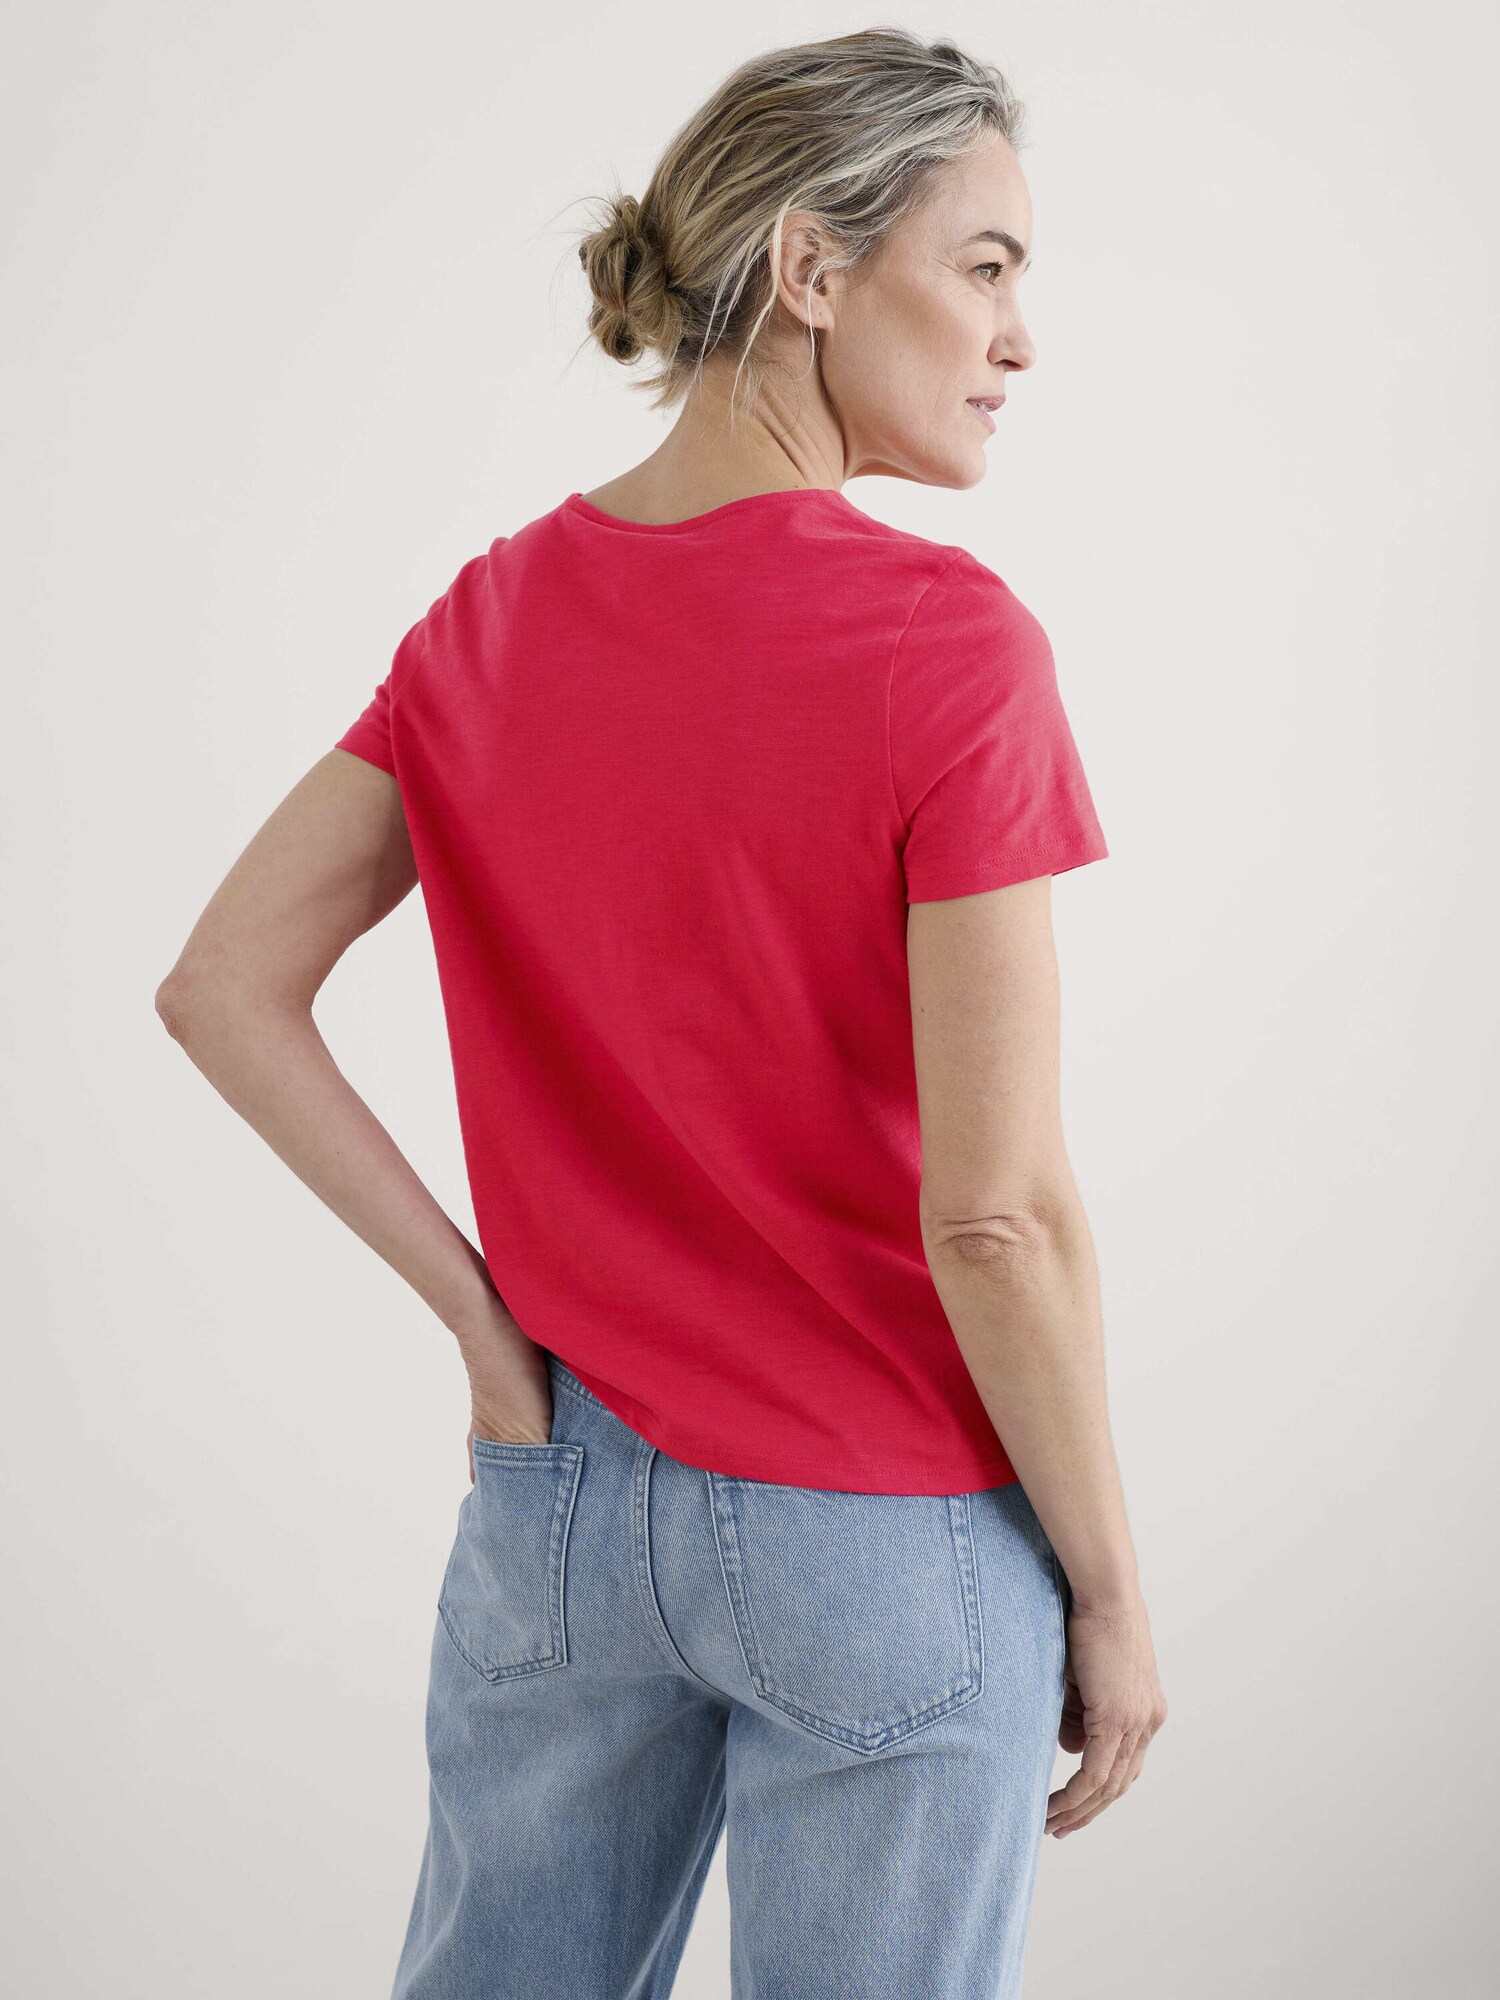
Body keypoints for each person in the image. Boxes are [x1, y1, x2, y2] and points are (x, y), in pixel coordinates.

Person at [155, 26, 1167, 2000]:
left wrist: (485, 1326)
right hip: (882, 1519)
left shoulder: (488, 617)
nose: (1020, 336)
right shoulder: (946, 645)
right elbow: (998, 1216)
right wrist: (1112, 1592)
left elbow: (223, 984)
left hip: (559, 1509)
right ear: (811, 267)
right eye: (983, 265)